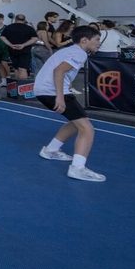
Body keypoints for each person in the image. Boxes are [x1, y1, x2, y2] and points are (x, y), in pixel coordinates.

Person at [34, 24, 105, 182]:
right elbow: (59, 71)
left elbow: (62, 72)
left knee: (76, 122)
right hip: (52, 91)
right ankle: (77, 168)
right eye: (97, 39)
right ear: (85, 40)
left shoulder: (69, 50)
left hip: (44, 90)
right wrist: (60, 96)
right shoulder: (79, 53)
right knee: (87, 129)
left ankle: (51, 150)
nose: (99, 43)